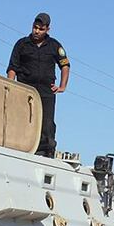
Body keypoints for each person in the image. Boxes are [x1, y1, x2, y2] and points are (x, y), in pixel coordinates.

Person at [7, 13, 70, 157]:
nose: (36, 31)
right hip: (25, 88)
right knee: (23, 119)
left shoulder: (55, 46)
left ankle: (46, 152)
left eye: (41, 29)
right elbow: (12, 67)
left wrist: (62, 86)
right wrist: (10, 86)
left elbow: (65, 65)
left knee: (47, 124)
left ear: (48, 29)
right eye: (35, 28)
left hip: (46, 90)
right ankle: (19, 147)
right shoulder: (22, 44)